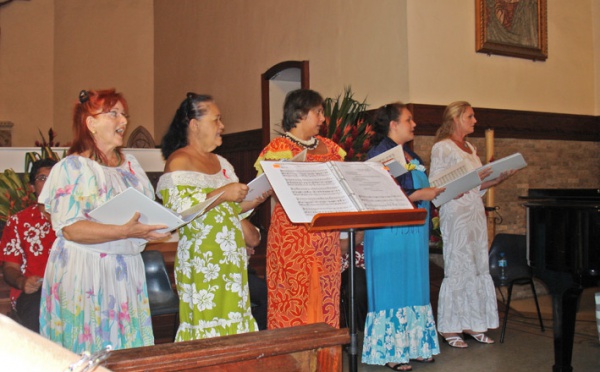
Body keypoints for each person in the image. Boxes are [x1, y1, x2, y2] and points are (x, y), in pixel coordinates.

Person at [38, 89, 171, 353]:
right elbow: (72, 229)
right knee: (88, 353)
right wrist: (124, 231)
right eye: (114, 114)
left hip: (125, 272)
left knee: (126, 354)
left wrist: (149, 228)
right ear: (91, 123)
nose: (123, 121)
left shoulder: (131, 165)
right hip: (85, 271)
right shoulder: (72, 168)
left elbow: (141, 213)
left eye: (124, 115)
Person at [157, 92, 269, 341]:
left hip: (231, 261)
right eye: (216, 120)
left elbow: (228, 209)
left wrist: (255, 198)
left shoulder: (223, 163)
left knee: (235, 327)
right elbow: (181, 212)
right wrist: (223, 192)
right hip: (202, 262)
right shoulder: (179, 161)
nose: (222, 126)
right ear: (195, 125)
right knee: (207, 331)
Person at [254, 88, 346, 331]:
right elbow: (266, 190)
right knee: (294, 301)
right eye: (318, 112)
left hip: (326, 237)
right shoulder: (278, 147)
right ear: (300, 114)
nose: (323, 119)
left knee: (326, 298)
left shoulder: (331, 148)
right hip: (293, 237)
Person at [361, 103, 444, 371]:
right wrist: (420, 195)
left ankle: (416, 345)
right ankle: (391, 350)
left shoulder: (410, 154)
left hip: (413, 232)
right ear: (393, 124)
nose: (414, 124)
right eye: (409, 120)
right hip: (388, 233)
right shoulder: (378, 155)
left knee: (414, 286)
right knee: (391, 287)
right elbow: (378, 195)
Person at [429, 101, 515, 348]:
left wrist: (496, 179)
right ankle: (450, 327)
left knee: (477, 266)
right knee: (458, 267)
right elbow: (438, 186)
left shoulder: (470, 147)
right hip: (456, 213)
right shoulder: (442, 148)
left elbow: (475, 185)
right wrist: (468, 181)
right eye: (470, 116)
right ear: (455, 118)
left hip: (474, 213)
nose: (474, 120)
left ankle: (473, 323)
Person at [0, 159, 57, 333]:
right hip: (34, 293)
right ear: (32, 187)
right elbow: (9, 267)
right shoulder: (18, 221)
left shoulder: (76, 221)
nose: (48, 183)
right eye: (42, 178)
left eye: (54, 177)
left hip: (73, 290)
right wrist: (22, 281)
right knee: (37, 313)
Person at [240, 218, 268, 330]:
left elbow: (254, 240)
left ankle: (257, 330)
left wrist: (234, 211)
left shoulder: (238, 218)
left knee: (269, 294)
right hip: (214, 273)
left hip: (243, 271)